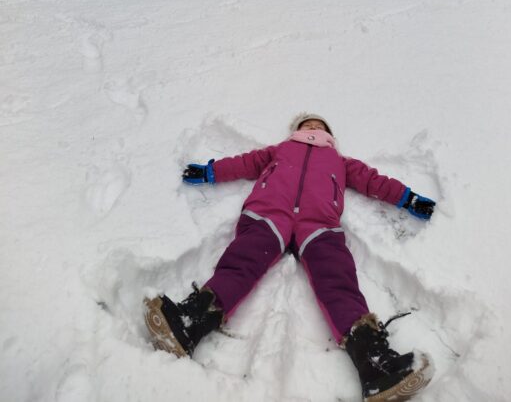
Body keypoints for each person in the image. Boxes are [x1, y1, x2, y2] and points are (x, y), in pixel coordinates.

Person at [144, 113, 436, 402]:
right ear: (296, 131)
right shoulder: (281, 150)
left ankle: (376, 365)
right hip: (269, 214)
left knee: (338, 281)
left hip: (319, 225)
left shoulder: (340, 162)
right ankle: (188, 324)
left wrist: (408, 198)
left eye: (319, 126)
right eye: (307, 125)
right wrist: (211, 171)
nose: (313, 127)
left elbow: (373, 181)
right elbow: (245, 163)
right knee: (240, 263)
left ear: (330, 136)